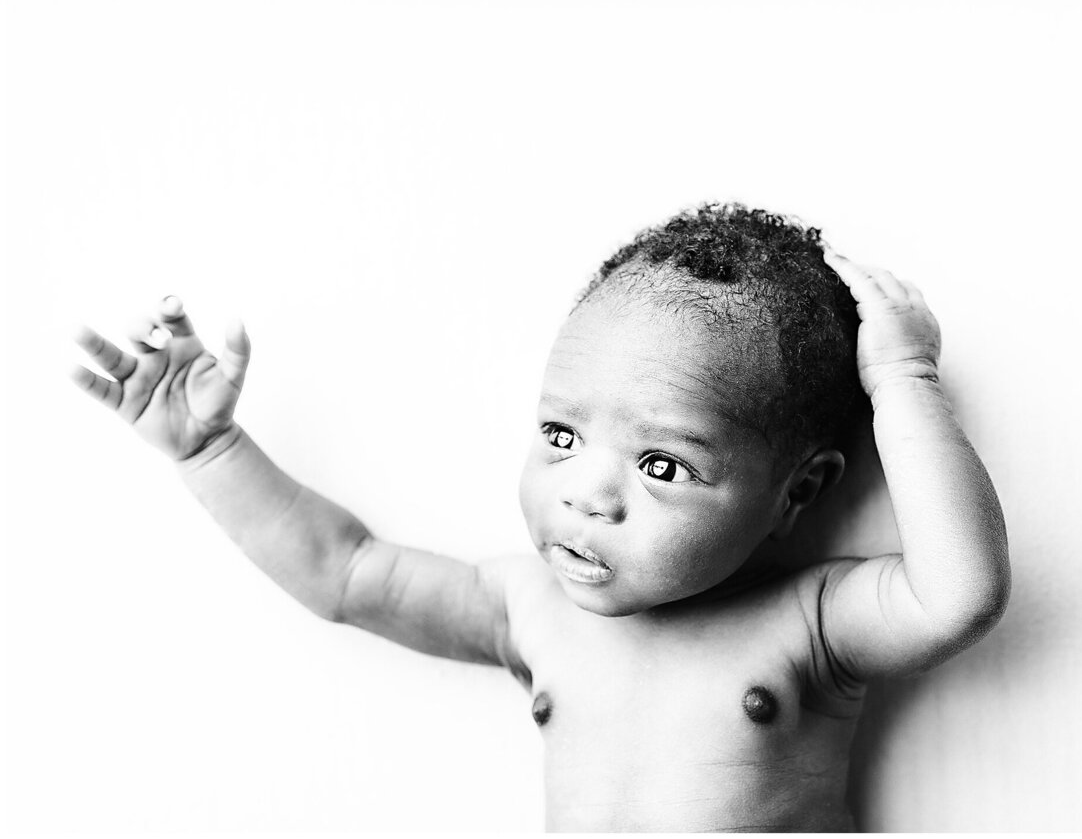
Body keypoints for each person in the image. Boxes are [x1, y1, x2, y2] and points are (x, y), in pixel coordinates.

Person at [71, 203, 1010, 831]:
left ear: (797, 493)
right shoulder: (529, 607)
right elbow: (347, 573)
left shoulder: (804, 626)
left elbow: (956, 595)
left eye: (660, 464)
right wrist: (211, 451)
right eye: (561, 436)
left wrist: (903, 378)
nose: (586, 495)